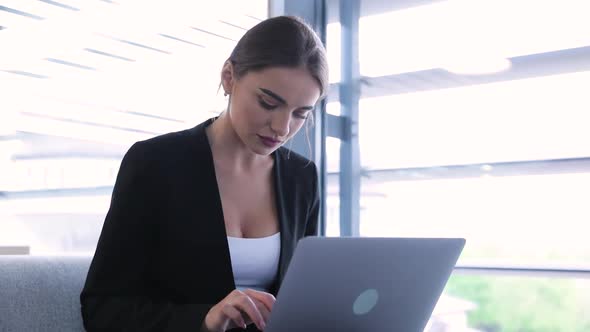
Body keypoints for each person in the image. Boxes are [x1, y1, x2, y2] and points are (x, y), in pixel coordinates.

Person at [80, 15, 329, 332]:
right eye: (268, 103)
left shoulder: (302, 177)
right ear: (229, 77)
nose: (282, 128)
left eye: (300, 114)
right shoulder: (154, 163)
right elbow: (103, 308)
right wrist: (205, 319)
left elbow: (303, 294)